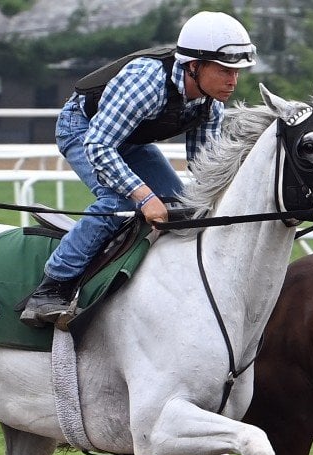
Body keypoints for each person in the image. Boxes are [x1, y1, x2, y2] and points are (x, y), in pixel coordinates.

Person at [18, 11, 257, 328]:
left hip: (128, 140)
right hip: (85, 132)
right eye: (225, 70)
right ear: (194, 66)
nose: (233, 80)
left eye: (237, 72)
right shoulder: (146, 83)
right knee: (119, 203)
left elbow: (205, 172)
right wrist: (144, 196)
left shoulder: (211, 104)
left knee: (183, 207)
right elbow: (99, 145)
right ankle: (51, 288)